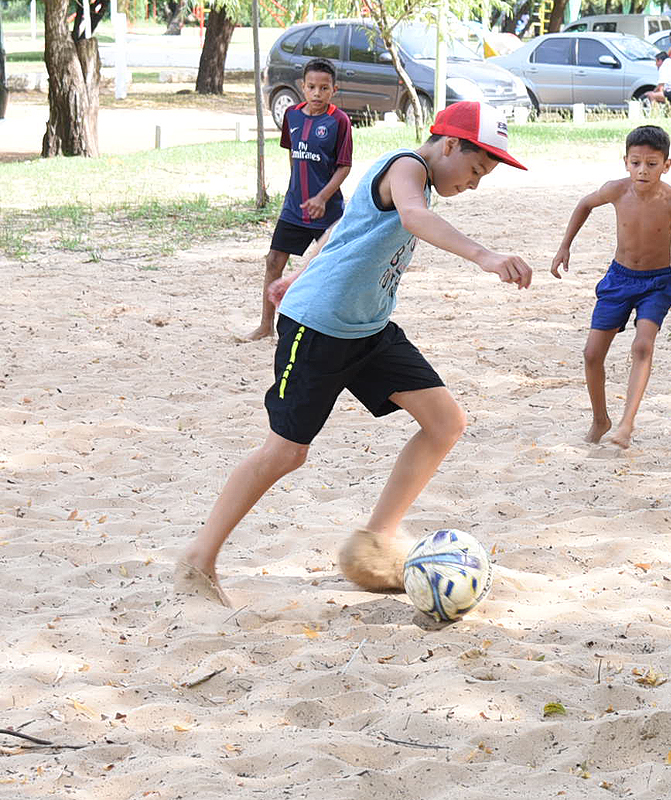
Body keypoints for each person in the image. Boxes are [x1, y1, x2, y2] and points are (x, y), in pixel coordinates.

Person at [176, 102, 532, 606]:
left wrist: (298, 273)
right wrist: (485, 256)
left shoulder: (420, 178)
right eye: (476, 170)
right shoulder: (407, 166)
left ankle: (374, 546)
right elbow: (413, 216)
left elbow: (341, 233)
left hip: (368, 328)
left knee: (445, 422)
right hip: (318, 328)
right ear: (450, 144)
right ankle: (199, 556)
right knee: (286, 452)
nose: (475, 183)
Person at [551, 125, 671, 447]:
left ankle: (626, 424)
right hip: (619, 279)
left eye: (651, 164)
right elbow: (584, 204)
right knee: (592, 354)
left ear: (667, 165)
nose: (643, 170)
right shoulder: (615, 190)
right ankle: (601, 419)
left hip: (656, 283)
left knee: (642, 345)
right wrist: (564, 246)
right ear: (626, 162)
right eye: (636, 163)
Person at [243, 58, 353, 341]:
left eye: (324, 88)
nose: (317, 93)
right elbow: (294, 155)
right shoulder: (292, 115)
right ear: (302, 87)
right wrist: (297, 192)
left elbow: (343, 166)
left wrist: (321, 197)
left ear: (334, 90)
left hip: (327, 211)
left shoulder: (339, 121)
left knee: (328, 270)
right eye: (312, 87)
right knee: (273, 261)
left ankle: (329, 329)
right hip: (294, 208)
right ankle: (267, 325)